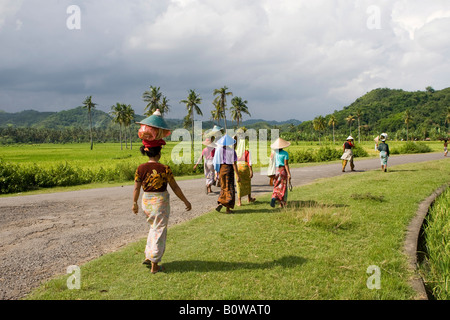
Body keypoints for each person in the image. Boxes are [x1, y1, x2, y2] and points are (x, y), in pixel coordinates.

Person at [132, 139, 192, 274]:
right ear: (158, 153)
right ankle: (155, 264)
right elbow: (175, 187)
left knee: (153, 227)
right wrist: (185, 201)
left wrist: (134, 203)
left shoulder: (140, 168)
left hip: (146, 202)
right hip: (160, 202)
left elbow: (136, 189)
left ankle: (149, 255)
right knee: (160, 230)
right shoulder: (165, 169)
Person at [213, 134, 240, 214]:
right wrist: (237, 175)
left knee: (224, 187)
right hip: (229, 170)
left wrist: (216, 173)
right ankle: (227, 209)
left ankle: (221, 201)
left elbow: (216, 163)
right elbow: (234, 164)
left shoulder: (218, 150)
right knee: (230, 188)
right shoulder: (232, 151)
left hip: (221, 170)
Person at [234, 134, 256, 206]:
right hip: (245, 167)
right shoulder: (247, 151)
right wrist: (251, 171)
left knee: (239, 184)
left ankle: (239, 201)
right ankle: (249, 198)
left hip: (238, 167)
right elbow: (250, 161)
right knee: (247, 183)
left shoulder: (236, 150)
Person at [270, 138, 292, 208]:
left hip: (275, 171)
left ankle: (274, 197)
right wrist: (289, 173)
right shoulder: (285, 153)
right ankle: (282, 203)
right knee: (283, 187)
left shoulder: (273, 153)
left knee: (276, 186)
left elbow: (271, 163)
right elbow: (286, 164)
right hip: (282, 171)